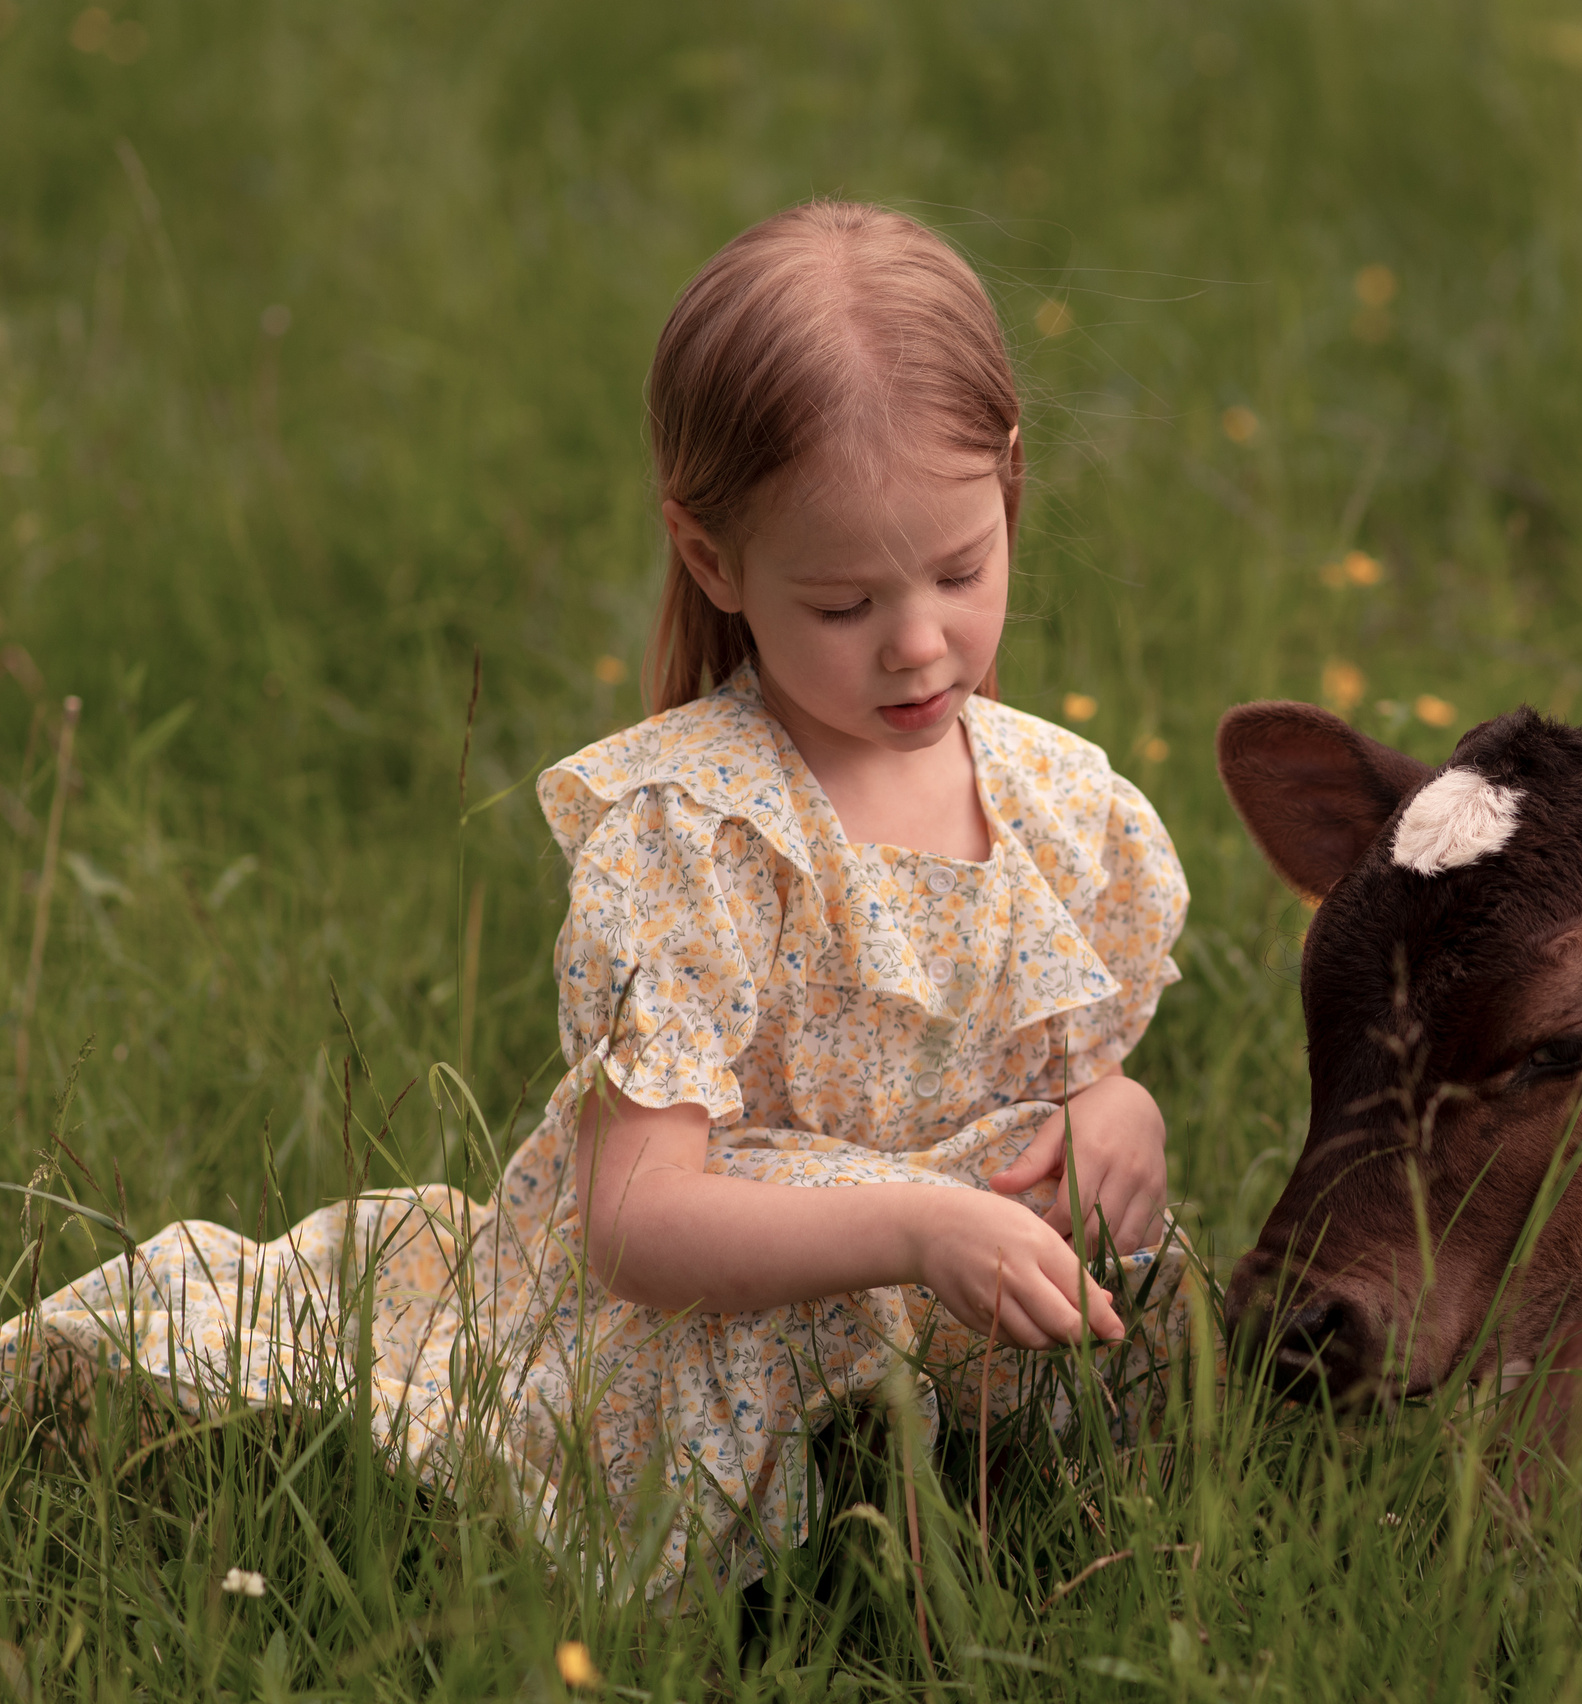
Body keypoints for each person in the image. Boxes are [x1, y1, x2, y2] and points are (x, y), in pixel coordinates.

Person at [0, 202, 1191, 1597]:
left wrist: (1115, 1119)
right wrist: (917, 1227)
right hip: (723, 1329)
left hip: (967, 1318)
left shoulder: (1060, 803)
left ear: (1009, 486)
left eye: (959, 571)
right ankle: (788, 1564)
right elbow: (637, 1226)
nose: (920, 642)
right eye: (844, 603)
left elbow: (1075, 1073)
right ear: (713, 561)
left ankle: (982, 1505)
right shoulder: (697, 834)